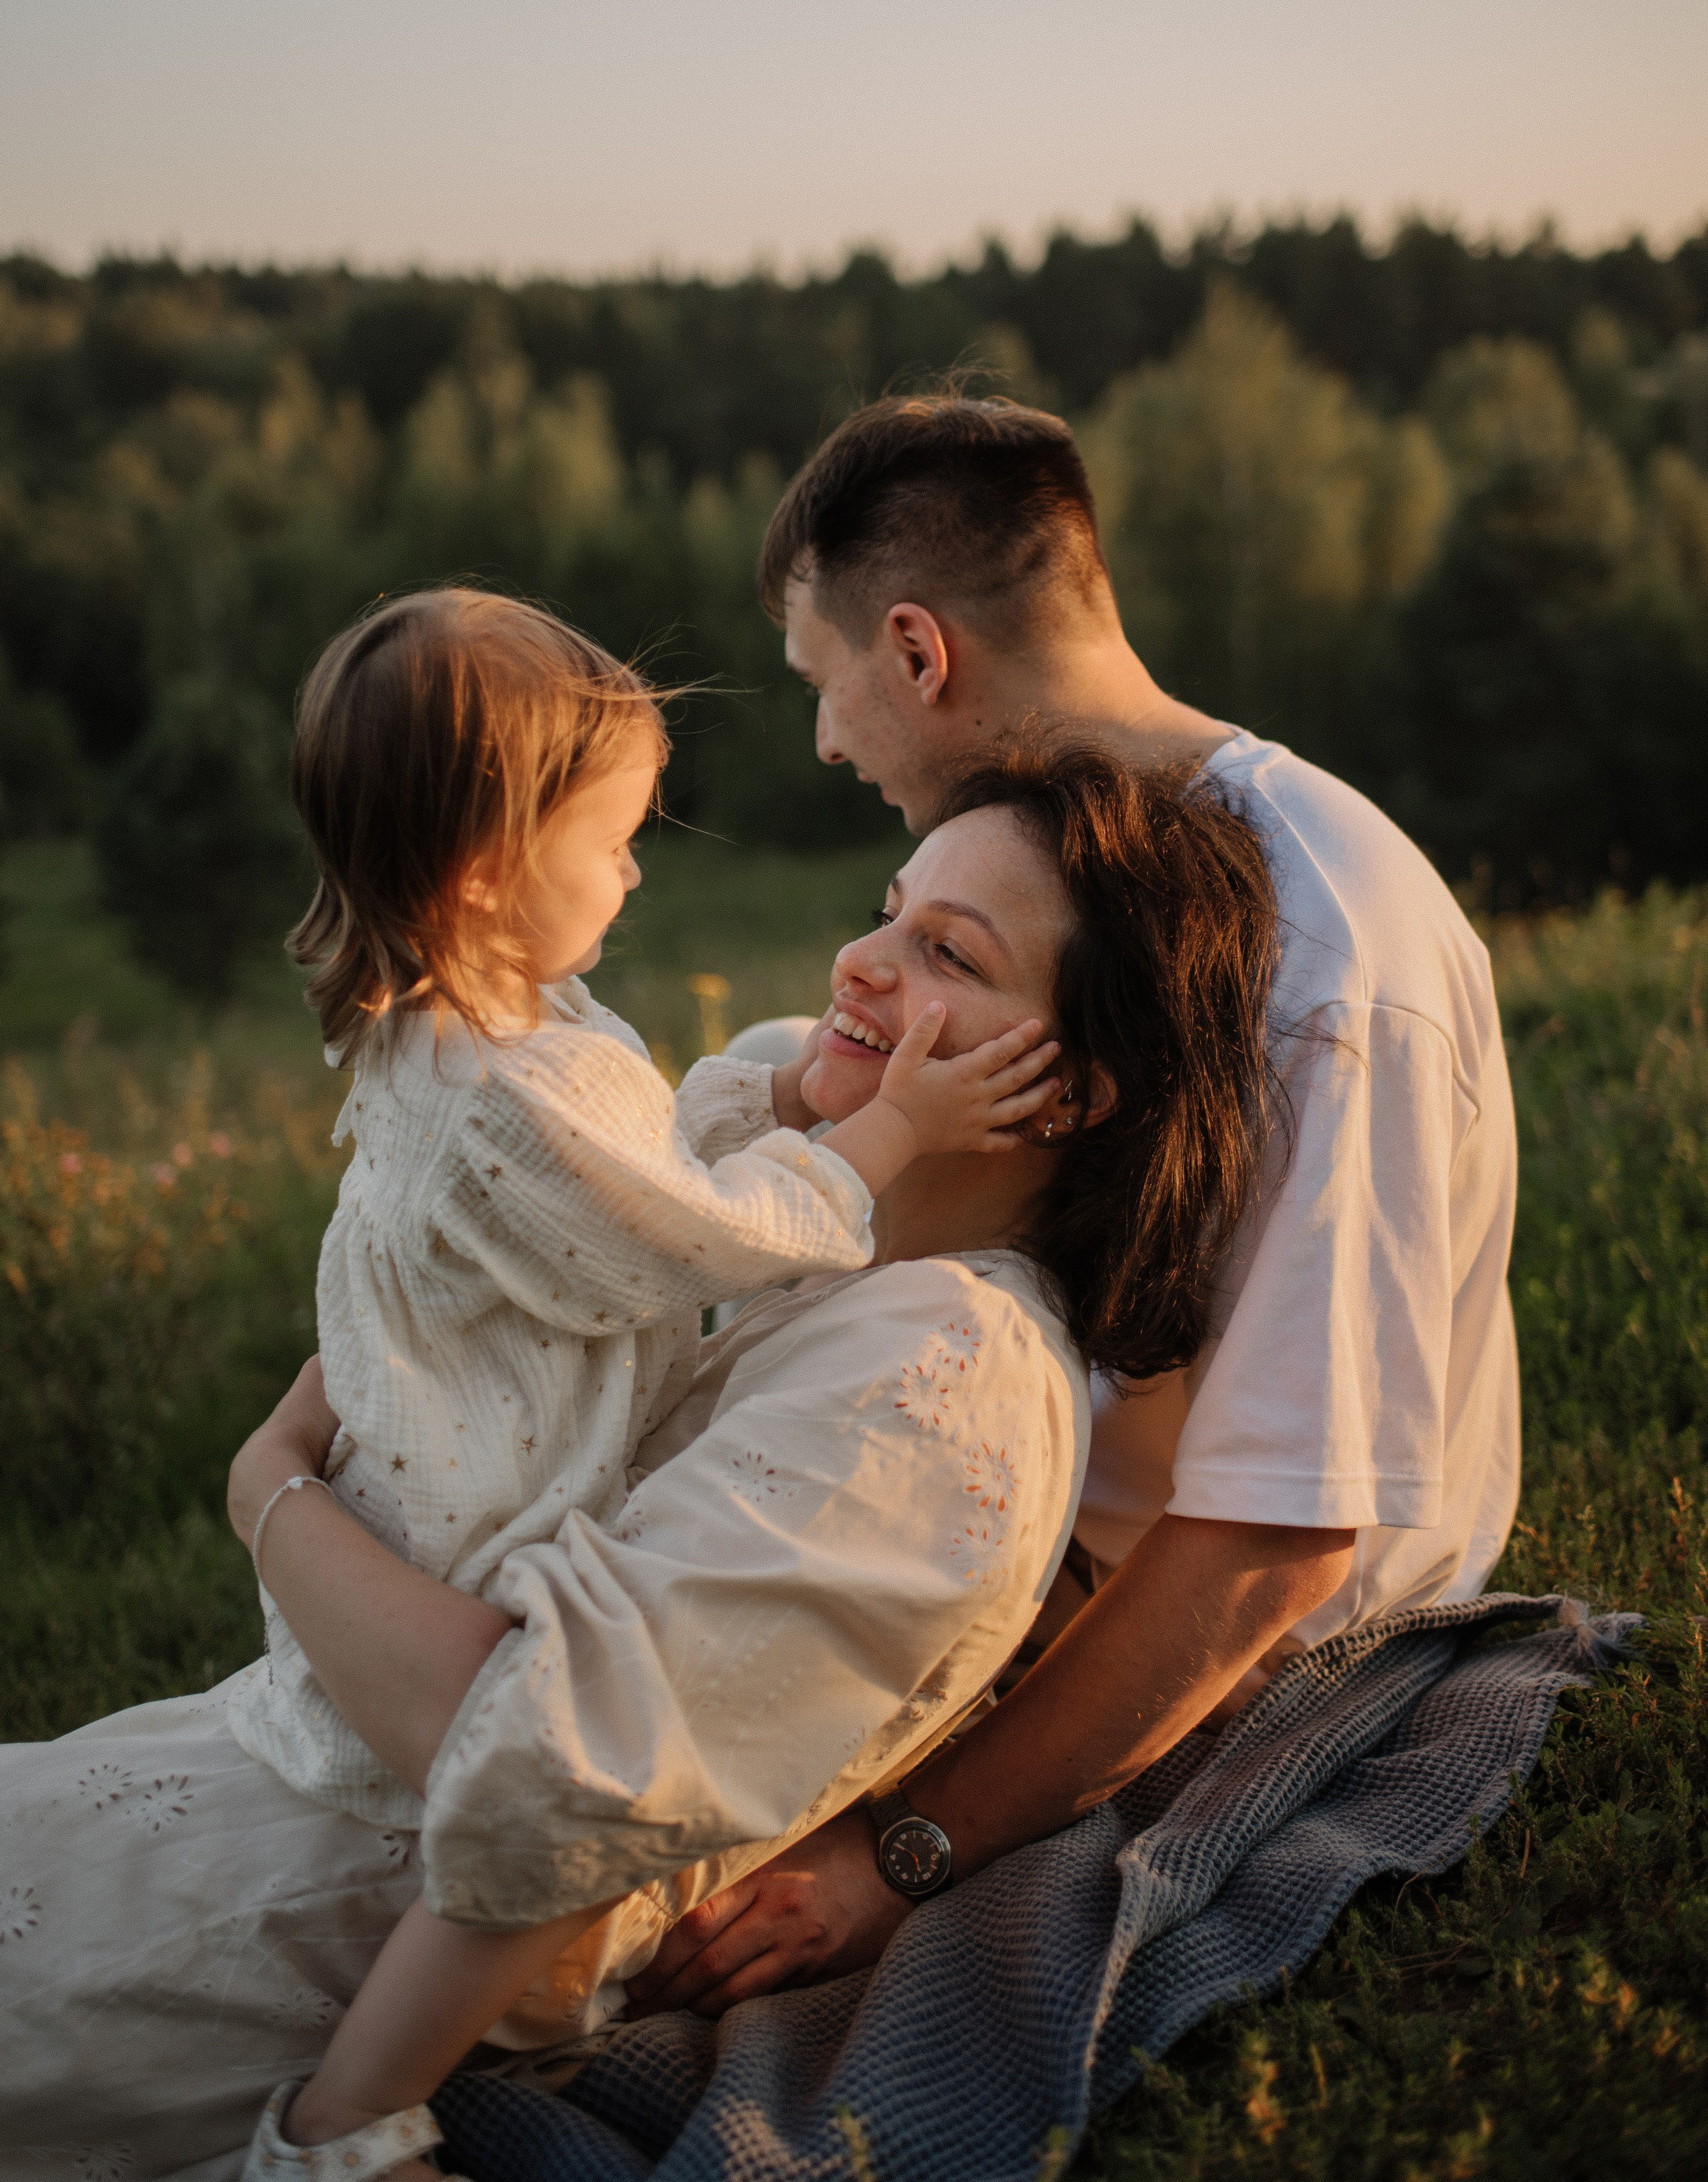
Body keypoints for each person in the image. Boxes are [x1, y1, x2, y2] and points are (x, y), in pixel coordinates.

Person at [0, 745, 1280, 2182]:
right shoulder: (842, 1247)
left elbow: (526, 1749)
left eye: (943, 953)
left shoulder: (946, 1378)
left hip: (308, 1909)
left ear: (1072, 1086)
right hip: (255, 1772)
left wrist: (268, 1494)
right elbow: (697, 1132)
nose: (858, 963)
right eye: (885, 907)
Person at [626, 389, 1521, 2018]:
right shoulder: (1038, 860)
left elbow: (1270, 1543)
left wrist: (899, 1854)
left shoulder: (1329, 959)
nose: (825, 744)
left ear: (916, 651)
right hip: (976, 1531)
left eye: (824, 685)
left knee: (596, 1895)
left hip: (1199, 1644)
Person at [231, 588, 1061, 2178]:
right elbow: (689, 1226)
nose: (632, 867)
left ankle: (347, 2100)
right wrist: (882, 1130)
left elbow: (652, 1168)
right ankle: (339, 2128)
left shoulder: (473, 1029)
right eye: (610, 840)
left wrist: (792, 1096)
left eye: (939, 942)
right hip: (472, 1518)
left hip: (426, 1527)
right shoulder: (513, 1092)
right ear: (485, 870)